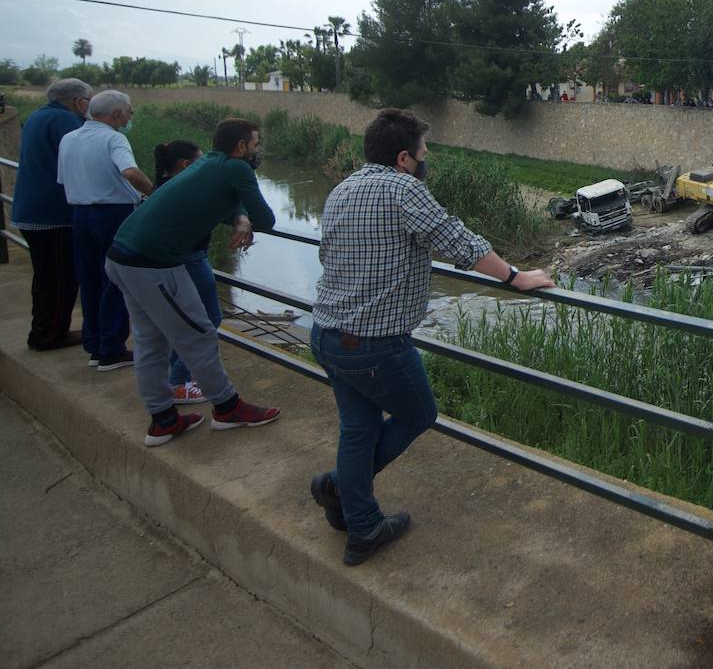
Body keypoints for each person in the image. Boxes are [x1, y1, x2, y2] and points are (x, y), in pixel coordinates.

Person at [309, 108, 554, 566]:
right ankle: (341, 490)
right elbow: (458, 241)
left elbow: (328, 254)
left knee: (358, 428)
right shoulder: (405, 189)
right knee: (419, 412)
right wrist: (516, 277)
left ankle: (360, 524)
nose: (428, 162)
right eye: (424, 154)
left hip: (326, 333)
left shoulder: (343, 187)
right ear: (404, 158)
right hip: (374, 344)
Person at [104, 118, 281, 446]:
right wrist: (245, 215)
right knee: (198, 335)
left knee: (149, 342)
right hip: (153, 265)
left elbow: (218, 200)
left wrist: (239, 215)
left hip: (121, 255)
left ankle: (163, 421)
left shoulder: (208, 163)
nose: (257, 152)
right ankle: (228, 409)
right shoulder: (237, 168)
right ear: (240, 147)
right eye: (255, 145)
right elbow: (267, 219)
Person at [57, 89, 153, 370]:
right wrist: (156, 193)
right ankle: (112, 349)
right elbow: (130, 172)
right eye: (129, 111)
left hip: (80, 214)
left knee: (89, 279)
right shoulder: (114, 138)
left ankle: (95, 345)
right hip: (113, 214)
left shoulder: (69, 138)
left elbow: (64, 179)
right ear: (117, 113)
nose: (131, 116)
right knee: (115, 279)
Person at [12, 78, 92, 351]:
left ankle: (44, 330)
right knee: (61, 278)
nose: (90, 106)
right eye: (89, 100)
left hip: (31, 209)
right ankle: (49, 335)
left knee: (47, 276)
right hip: (53, 214)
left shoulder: (39, 116)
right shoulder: (65, 121)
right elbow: (85, 156)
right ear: (77, 102)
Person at [153, 140, 219, 404]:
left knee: (179, 323)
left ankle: (178, 380)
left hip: (170, 264)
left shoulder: (162, 188)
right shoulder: (183, 191)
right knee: (208, 319)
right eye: (200, 160)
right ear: (185, 165)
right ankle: (179, 382)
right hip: (190, 262)